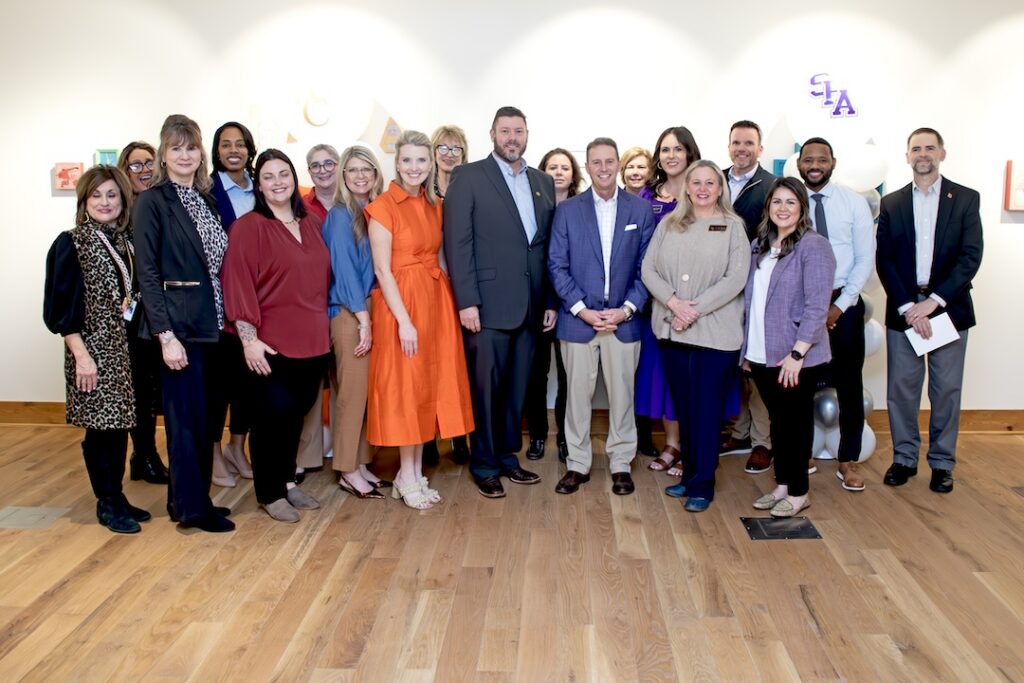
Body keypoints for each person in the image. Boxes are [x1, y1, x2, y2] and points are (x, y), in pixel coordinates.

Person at [443, 106, 556, 498]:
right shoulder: (469, 177)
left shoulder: (542, 181)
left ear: (527, 135)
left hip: (530, 306)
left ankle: (508, 458)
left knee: (516, 389)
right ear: (492, 133)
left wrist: (549, 300)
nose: (512, 138)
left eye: (519, 131)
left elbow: (545, 248)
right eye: (505, 131)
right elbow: (458, 243)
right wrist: (466, 301)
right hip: (486, 307)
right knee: (486, 390)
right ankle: (485, 463)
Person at [134, 114, 234, 532]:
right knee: (184, 421)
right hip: (180, 329)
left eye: (191, 147)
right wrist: (165, 335)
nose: (185, 155)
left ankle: (188, 500)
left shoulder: (206, 199)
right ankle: (193, 511)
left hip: (212, 324)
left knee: (205, 419)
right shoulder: (153, 201)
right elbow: (149, 274)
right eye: (176, 148)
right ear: (163, 154)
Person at [367, 129, 475, 508]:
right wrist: (405, 321)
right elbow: (382, 270)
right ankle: (406, 473)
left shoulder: (434, 205)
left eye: (421, 160)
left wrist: (456, 304)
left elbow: (443, 258)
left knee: (426, 387)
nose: (414, 167)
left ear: (431, 164)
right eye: (407, 160)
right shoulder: (382, 206)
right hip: (401, 306)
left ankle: (410, 474)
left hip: (434, 301)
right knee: (406, 390)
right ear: (396, 163)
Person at [221, 148, 331, 522]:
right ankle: (269, 493)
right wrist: (248, 340)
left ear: (293, 177)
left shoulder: (313, 224)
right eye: (268, 176)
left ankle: (286, 481)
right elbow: (237, 285)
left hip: (313, 341)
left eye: (284, 174)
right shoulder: (248, 227)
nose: (278, 182)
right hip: (270, 343)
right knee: (270, 418)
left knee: (296, 415)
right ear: (259, 184)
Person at [43, 165, 152, 533]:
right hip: (93, 352)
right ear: (84, 200)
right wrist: (81, 356)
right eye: (96, 195)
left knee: (120, 426)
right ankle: (106, 501)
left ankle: (117, 495)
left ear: (123, 200)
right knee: (101, 430)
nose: (105, 202)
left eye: (112, 195)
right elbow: (60, 309)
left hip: (126, 351)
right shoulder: (72, 242)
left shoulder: (126, 242)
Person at [877, 128, 983, 494]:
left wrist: (933, 302)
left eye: (930, 148)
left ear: (942, 153)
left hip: (947, 309)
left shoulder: (966, 199)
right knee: (901, 390)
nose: (923, 154)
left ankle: (941, 463)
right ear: (907, 156)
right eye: (916, 149)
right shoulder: (891, 203)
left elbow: (971, 256)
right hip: (905, 310)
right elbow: (885, 259)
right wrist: (910, 307)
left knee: (946, 391)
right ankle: (904, 458)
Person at [548, 138, 655, 496]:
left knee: (623, 396)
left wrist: (625, 310)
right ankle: (577, 464)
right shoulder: (567, 211)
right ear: (588, 167)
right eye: (597, 162)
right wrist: (583, 310)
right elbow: (556, 265)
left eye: (610, 161)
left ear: (618, 166)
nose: (604, 168)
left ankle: (621, 461)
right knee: (577, 397)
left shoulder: (640, 211)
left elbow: (647, 269)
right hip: (579, 320)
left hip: (623, 322)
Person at [641, 160, 749, 512]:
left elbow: (735, 280)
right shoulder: (670, 224)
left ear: (720, 188)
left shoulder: (733, 227)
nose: (702, 188)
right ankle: (688, 476)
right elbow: (648, 269)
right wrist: (674, 303)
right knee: (685, 408)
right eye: (696, 182)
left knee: (706, 411)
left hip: (715, 338)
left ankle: (703, 482)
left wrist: (692, 310)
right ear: (686, 187)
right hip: (673, 333)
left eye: (710, 183)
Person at [743, 177, 836, 518]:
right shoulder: (760, 246)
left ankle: (799, 491)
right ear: (768, 207)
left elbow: (817, 305)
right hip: (763, 352)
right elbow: (753, 302)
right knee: (778, 422)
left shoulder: (814, 246)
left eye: (790, 202)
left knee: (795, 424)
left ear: (802, 208)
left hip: (796, 357)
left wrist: (798, 354)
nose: (782, 208)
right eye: (777, 202)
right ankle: (782, 484)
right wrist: (748, 353)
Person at [797, 137, 876, 491]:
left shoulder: (854, 203)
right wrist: (812, 308)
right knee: (799, 383)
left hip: (844, 303)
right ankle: (802, 453)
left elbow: (864, 260)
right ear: (798, 164)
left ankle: (848, 459)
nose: (815, 164)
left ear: (833, 162)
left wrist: (839, 305)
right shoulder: (790, 201)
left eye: (822, 159)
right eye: (808, 159)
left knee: (848, 384)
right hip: (802, 304)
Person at [322, 145, 388, 498]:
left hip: (370, 310)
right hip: (349, 314)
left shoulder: (374, 211)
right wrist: (364, 320)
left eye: (367, 169)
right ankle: (347, 469)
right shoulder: (338, 215)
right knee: (351, 395)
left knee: (366, 394)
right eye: (353, 170)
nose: (360, 176)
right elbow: (344, 271)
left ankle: (361, 462)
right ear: (343, 177)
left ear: (376, 174)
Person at [639, 126, 700, 474]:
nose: (671, 155)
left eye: (678, 149)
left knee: (694, 379)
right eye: (665, 149)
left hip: (698, 306)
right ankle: (672, 445)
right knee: (664, 378)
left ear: (690, 153)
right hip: (658, 303)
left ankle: (693, 446)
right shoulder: (647, 197)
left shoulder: (703, 192)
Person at [721, 120, 776, 474]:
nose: (742, 148)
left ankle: (762, 441)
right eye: (736, 143)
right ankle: (738, 432)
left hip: (756, 286)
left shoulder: (771, 186)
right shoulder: (716, 179)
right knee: (732, 366)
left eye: (749, 143)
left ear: (760, 149)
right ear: (729, 147)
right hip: (721, 290)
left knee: (755, 365)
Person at [208, 121, 259, 488]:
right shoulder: (208, 190)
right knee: (221, 383)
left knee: (249, 382)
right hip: (221, 296)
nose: (233, 150)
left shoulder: (261, 186)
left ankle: (237, 446)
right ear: (217, 151)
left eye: (239, 144)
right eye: (226, 145)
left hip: (259, 297)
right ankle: (213, 452)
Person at [523, 147, 582, 463]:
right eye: (552, 166)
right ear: (542, 172)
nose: (559, 172)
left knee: (570, 375)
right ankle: (536, 436)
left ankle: (565, 438)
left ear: (574, 175)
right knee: (537, 373)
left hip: (573, 303)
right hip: (538, 301)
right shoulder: (532, 206)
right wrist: (546, 301)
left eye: (565, 167)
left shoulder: (583, 208)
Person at [116, 140, 169, 485]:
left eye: (149, 163)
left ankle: (145, 455)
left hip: (158, 312)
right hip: (129, 317)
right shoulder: (118, 214)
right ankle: (144, 455)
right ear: (124, 171)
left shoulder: (161, 206)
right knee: (137, 388)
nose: (144, 170)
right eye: (135, 165)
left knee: (152, 387)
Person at [422, 124, 472, 465]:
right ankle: (426, 439)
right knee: (427, 365)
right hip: (426, 288)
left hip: (460, 286)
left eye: (456, 148)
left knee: (458, 367)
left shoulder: (470, 186)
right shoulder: (420, 189)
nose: (450, 154)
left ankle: (458, 437)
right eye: (444, 147)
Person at [304, 143, 341, 220]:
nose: (322, 171)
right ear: (309, 171)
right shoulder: (300, 207)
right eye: (315, 166)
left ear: (340, 166)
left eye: (328, 164)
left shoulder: (354, 202)